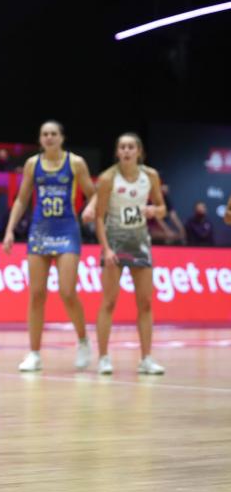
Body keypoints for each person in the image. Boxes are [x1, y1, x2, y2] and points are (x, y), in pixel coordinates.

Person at [2, 121, 96, 372]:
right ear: (40, 139)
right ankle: (34, 354)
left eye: (54, 133)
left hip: (67, 230)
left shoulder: (75, 162)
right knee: (36, 295)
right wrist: (10, 230)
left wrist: (90, 206)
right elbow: (22, 199)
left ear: (62, 138)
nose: (49, 137)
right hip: (40, 230)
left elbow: (94, 193)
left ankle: (84, 341)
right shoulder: (33, 164)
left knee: (67, 291)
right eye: (45, 134)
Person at [88, 132, 167, 375]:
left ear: (139, 152)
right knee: (109, 301)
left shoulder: (150, 176)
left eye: (131, 147)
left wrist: (155, 211)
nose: (126, 151)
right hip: (114, 239)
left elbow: (163, 209)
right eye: (122, 147)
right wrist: (107, 248)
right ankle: (103, 358)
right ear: (117, 152)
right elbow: (99, 217)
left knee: (145, 302)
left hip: (140, 241)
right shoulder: (108, 178)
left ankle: (146, 359)